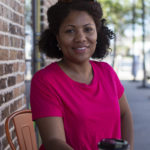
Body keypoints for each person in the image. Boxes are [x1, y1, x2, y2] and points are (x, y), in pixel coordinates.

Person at [30, 0, 134, 150]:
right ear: (57, 37)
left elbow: (125, 114)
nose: (80, 38)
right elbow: (53, 141)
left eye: (88, 29)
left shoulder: (107, 72)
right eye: (70, 31)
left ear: (97, 33)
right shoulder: (45, 81)